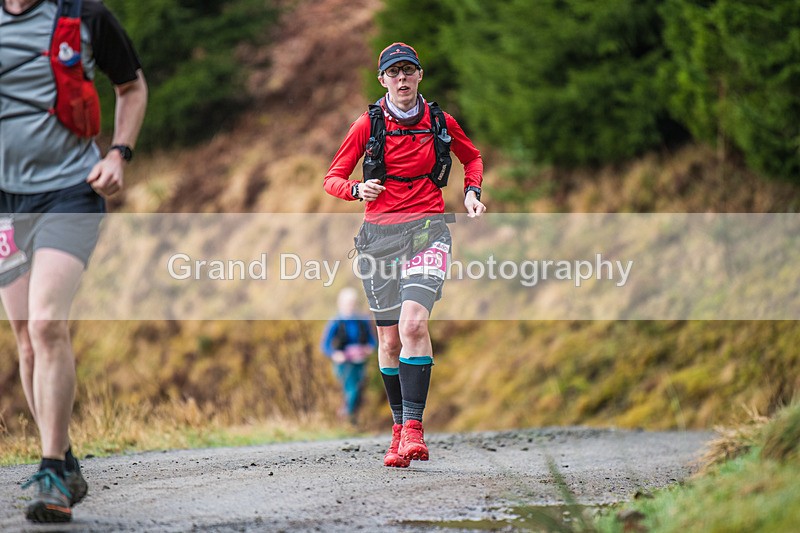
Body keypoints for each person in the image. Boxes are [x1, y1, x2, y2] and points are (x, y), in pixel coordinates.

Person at [0, 0, 147, 523]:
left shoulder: (85, 15)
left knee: (46, 323)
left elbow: (131, 86)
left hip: (70, 191)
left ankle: (51, 472)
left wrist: (118, 154)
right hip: (5, 204)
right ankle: (62, 460)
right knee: (24, 336)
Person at [323, 42, 485, 468]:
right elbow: (333, 178)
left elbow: (472, 158)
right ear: (382, 80)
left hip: (429, 230)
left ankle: (413, 429)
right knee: (389, 340)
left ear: (419, 75)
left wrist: (472, 193)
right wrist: (357, 189)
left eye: (408, 70)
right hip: (378, 239)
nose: (401, 78)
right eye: (393, 72)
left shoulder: (439, 121)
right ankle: (397, 428)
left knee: (414, 323)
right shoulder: (367, 124)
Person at [320, 287, 377, 425]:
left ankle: (350, 418)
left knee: (358, 391)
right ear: (340, 304)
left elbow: (373, 341)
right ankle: (349, 419)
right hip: (343, 363)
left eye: (352, 303)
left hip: (360, 362)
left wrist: (368, 349)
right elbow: (325, 345)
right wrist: (335, 354)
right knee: (351, 389)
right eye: (347, 303)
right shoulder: (335, 322)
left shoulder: (362, 321)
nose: (350, 306)